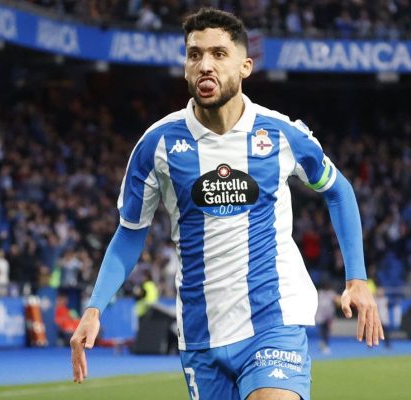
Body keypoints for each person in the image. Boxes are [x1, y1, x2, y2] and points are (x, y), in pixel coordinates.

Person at [70, 8, 383, 400]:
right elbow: (130, 233)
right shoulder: (157, 144)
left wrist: (356, 279)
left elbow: (339, 190)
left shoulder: (281, 134)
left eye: (219, 54)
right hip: (201, 334)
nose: (205, 65)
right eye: (195, 54)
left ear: (245, 66)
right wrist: (95, 307)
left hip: (273, 320)